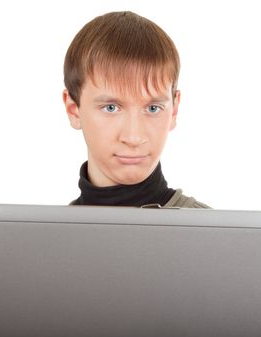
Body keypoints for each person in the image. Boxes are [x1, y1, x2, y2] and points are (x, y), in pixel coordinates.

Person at [62, 11, 210, 208]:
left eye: (153, 108)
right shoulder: (43, 237)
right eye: (111, 107)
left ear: (173, 111)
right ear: (74, 110)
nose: (133, 138)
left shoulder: (214, 235)